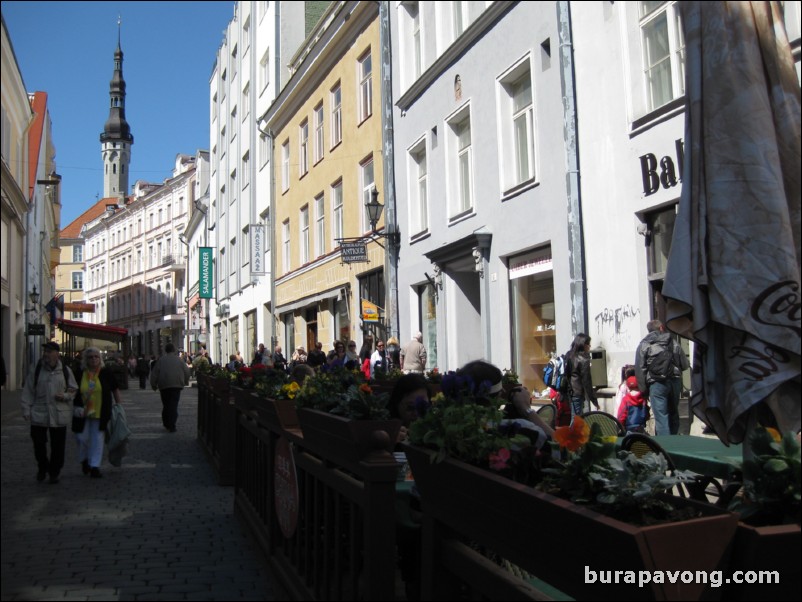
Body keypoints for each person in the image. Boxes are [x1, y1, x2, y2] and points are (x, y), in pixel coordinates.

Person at [20, 342, 78, 483]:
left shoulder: (65, 370)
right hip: (40, 412)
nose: (46, 354)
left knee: (58, 446)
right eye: (45, 351)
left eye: (49, 351)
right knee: (38, 444)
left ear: (57, 354)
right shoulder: (37, 370)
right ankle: (42, 466)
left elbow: (73, 388)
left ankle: (54, 472)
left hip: (59, 413)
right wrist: (26, 409)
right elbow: (28, 391)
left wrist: (65, 396)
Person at [460, 360, 553, 446]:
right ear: (498, 395)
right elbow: (560, 446)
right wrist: (526, 409)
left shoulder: (457, 429)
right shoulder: (517, 429)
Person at [72, 346, 123, 478]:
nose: (94, 359)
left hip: (101, 410)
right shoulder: (79, 373)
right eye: (90, 357)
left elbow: (115, 389)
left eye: (96, 357)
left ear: (100, 358)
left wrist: (119, 406)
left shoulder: (106, 372)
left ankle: (95, 466)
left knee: (97, 438)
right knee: (81, 438)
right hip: (82, 411)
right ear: (86, 360)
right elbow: (72, 389)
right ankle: (84, 459)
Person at [635, 319, 689, 436]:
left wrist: (644, 391)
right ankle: (674, 442)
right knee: (673, 412)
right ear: (661, 328)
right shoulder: (673, 342)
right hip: (675, 381)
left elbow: (640, 369)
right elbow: (685, 364)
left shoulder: (644, 345)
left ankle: (666, 447)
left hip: (657, 384)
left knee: (661, 416)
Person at [150, 343, 191, 432]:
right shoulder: (179, 360)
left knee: (166, 405)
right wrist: (185, 381)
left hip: (164, 385)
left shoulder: (161, 360)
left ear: (166, 350)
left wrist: (153, 384)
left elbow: (154, 373)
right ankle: (172, 424)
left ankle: (166, 423)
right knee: (173, 405)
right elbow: (187, 371)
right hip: (176, 385)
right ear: (174, 350)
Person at [389, 373, 430, 444]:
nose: (416, 413)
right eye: (410, 408)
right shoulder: (389, 429)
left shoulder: (434, 429)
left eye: (423, 407)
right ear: (397, 404)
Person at [565, 333, 598, 420]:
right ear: (583, 344)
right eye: (588, 344)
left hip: (571, 391)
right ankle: (572, 434)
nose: (589, 346)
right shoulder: (584, 359)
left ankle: (573, 433)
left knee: (575, 417)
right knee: (576, 419)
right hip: (578, 392)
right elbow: (587, 381)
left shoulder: (569, 355)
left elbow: (567, 374)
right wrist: (594, 400)